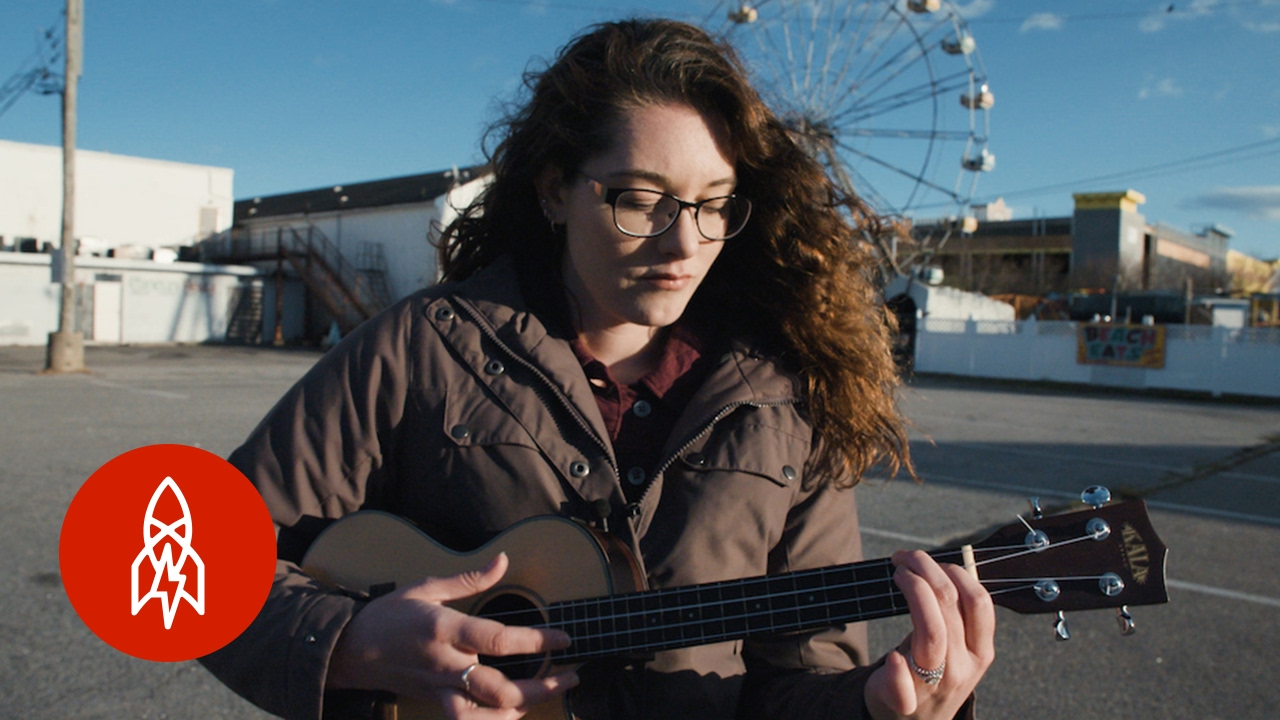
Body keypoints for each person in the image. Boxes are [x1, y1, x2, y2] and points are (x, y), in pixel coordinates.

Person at [201, 18, 994, 720]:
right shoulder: (421, 349)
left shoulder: (786, 402)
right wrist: (352, 646)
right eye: (641, 199)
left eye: (715, 203)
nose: (686, 245)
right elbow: (201, 562)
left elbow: (797, 680)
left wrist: (882, 710)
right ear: (553, 191)